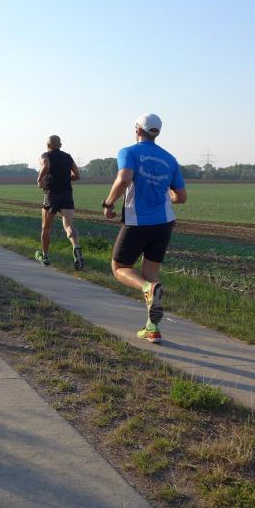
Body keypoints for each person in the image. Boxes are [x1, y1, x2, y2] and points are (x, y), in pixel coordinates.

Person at [102, 113, 187, 344]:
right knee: (151, 272)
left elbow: (124, 178)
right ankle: (153, 328)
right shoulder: (170, 159)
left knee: (120, 267)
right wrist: (167, 195)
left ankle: (147, 288)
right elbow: (181, 197)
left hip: (138, 222)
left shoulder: (128, 152)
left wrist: (108, 204)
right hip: (164, 223)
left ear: (137, 129)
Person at [35, 135, 84, 269]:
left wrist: (39, 179)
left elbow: (46, 165)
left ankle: (45, 256)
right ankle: (76, 247)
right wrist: (64, 177)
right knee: (68, 226)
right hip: (67, 195)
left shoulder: (45, 155)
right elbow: (77, 176)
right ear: (60, 145)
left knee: (46, 228)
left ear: (47, 145)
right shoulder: (68, 157)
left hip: (51, 195)